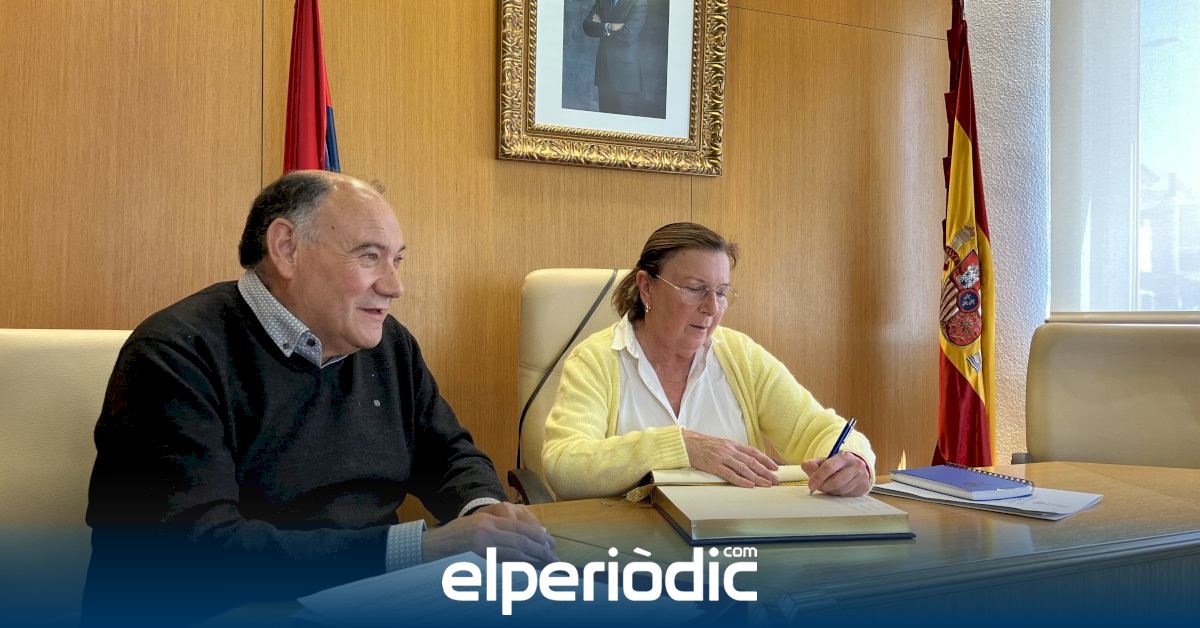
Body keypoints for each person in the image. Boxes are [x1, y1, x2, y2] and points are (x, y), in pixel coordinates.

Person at [83, 171, 556, 625]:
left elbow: (449, 454)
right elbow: (198, 552)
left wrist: (483, 511)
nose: (394, 286)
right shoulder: (174, 354)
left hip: (372, 597)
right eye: (369, 256)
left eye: (397, 260)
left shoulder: (388, 344)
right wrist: (420, 549)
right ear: (286, 248)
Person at [541, 222, 876, 501]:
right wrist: (682, 446)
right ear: (646, 288)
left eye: (721, 292)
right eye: (694, 288)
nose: (712, 308)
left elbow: (818, 428)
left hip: (736, 541)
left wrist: (854, 460)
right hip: (633, 545)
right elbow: (564, 466)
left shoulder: (740, 355)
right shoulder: (597, 359)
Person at [583, 0, 648, 115]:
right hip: (604, 74)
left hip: (626, 78)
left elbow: (628, 35)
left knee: (626, 124)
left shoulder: (639, 2)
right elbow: (587, 26)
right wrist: (609, 26)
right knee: (605, 122)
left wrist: (602, 27)